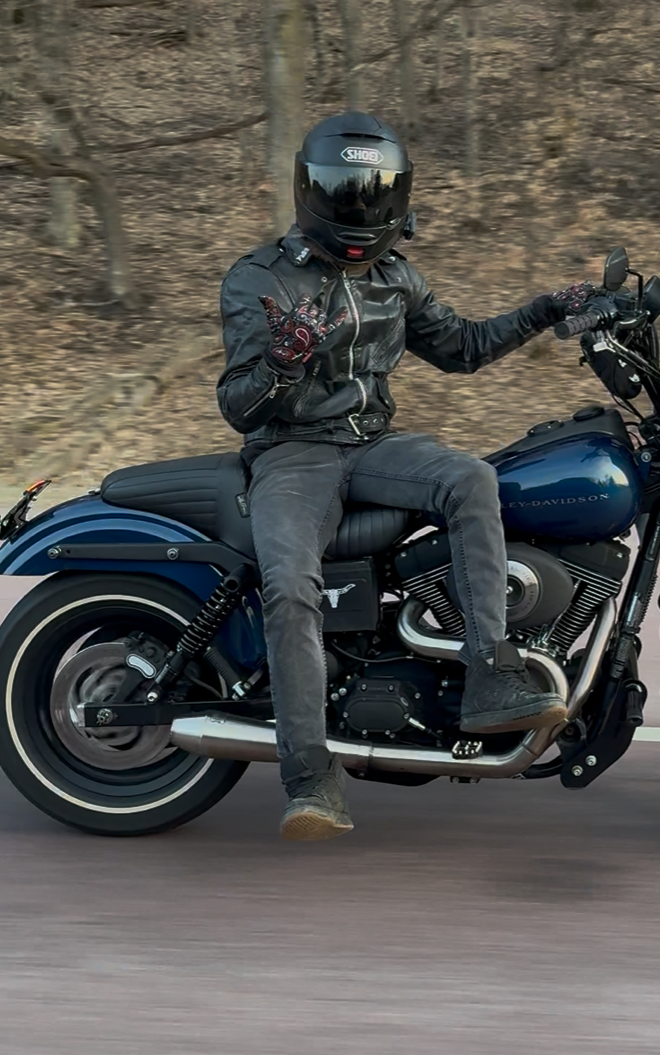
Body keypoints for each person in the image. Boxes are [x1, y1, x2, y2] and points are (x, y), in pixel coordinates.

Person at [217, 111, 594, 841]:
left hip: (372, 443)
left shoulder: (395, 277)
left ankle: (491, 674)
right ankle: (310, 778)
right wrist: (282, 363)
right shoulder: (261, 277)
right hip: (292, 453)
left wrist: (548, 310)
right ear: (310, 188)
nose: (357, 206)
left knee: (471, 480)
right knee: (290, 583)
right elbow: (238, 407)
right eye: (343, 189)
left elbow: (462, 349)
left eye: (372, 191)